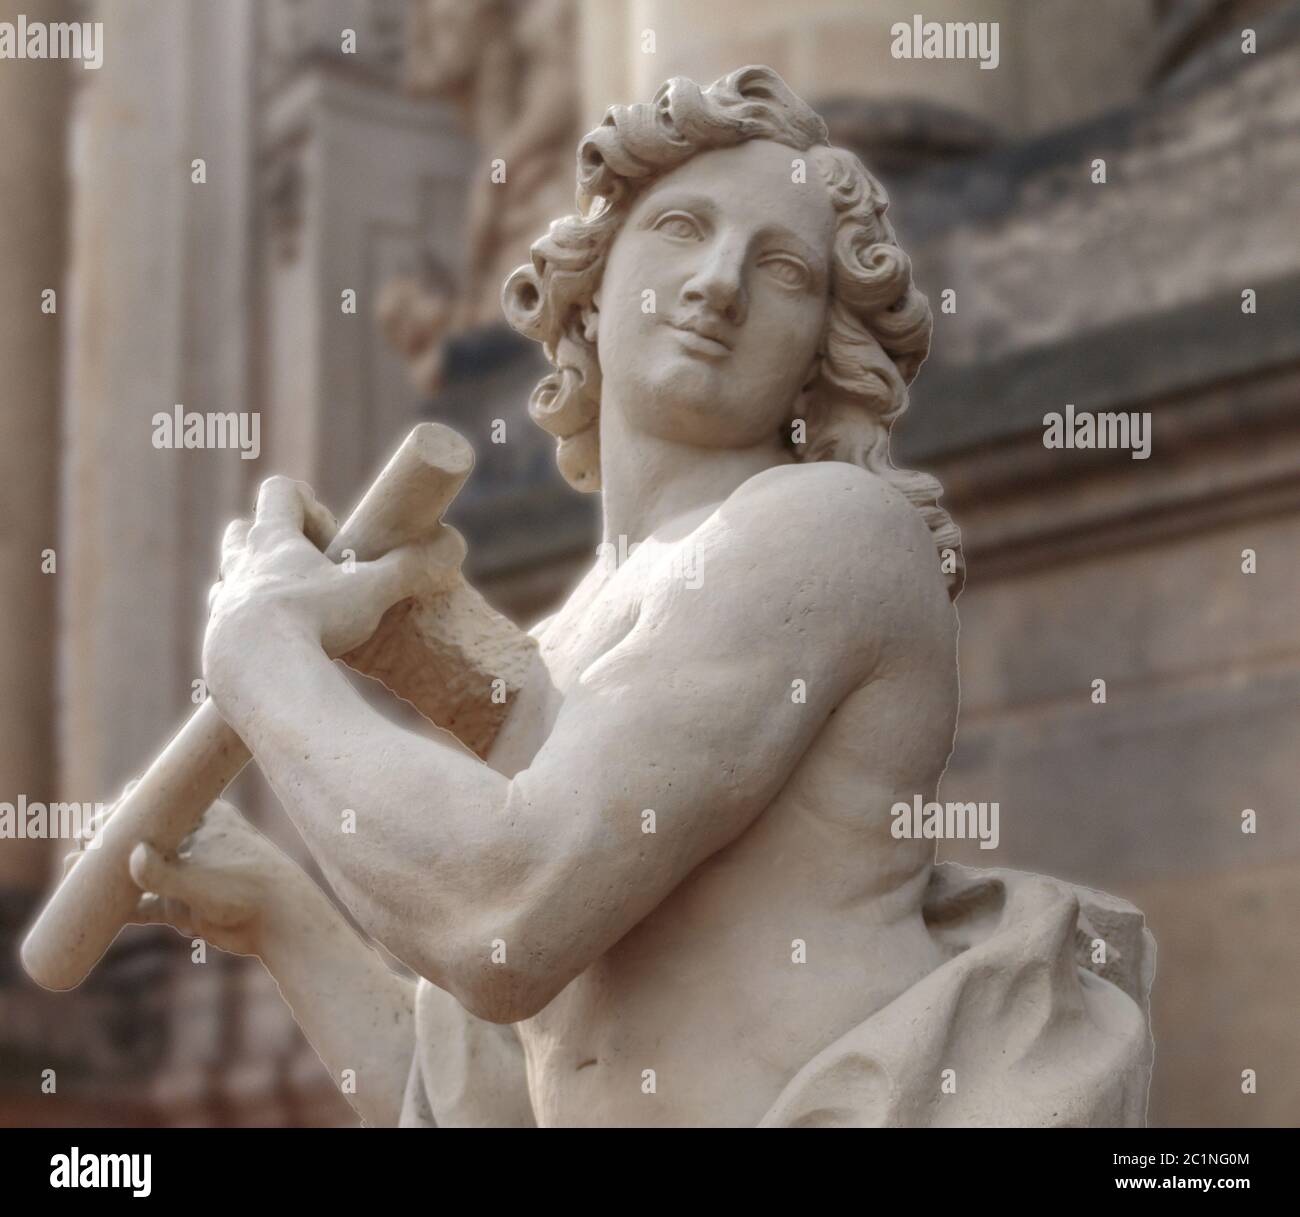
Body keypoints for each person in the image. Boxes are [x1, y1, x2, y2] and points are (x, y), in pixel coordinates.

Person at [84, 67, 1151, 1128]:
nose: (719, 283)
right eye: (683, 227)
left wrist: (263, 657)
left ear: (823, 351)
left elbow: (504, 913)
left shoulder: (826, 530)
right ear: (589, 283)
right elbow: (488, 1103)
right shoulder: (562, 644)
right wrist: (285, 919)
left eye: (781, 267)